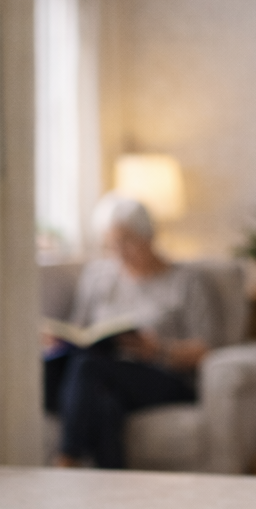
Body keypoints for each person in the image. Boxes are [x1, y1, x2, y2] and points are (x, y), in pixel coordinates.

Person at [46, 194, 223, 468]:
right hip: (105, 374)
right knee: (104, 402)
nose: (119, 251)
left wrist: (160, 349)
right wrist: (60, 339)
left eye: (127, 241)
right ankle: (113, 497)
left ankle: (66, 459)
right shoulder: (98, 276)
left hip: (163, 376)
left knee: (88, 368)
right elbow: (79, 329)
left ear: (148, 236)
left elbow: (207, 347)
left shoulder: (186, 281)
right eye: (112, 244)